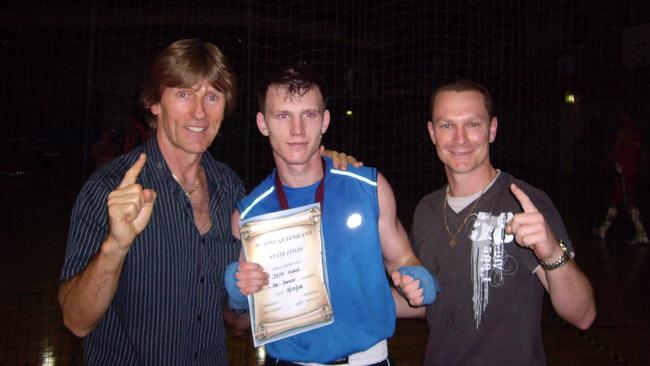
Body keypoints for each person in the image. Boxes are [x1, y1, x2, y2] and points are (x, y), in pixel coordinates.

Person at [59, 39, 368, 365]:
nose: (199, 112)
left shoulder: (230, 189)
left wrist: (243, 298)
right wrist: (115, 246)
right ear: (154, 103)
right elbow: (76, 321)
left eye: (212, 96)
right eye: (183, 94)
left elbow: (236, 324)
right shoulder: (108, 189)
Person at [225, 66, 437, 366]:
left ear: (324, 120)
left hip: (370, 360)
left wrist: (418, 280)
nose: (297, 130)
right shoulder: (248, 215)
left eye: (309, 115)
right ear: (263, 123)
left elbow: (404, 261)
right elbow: (239, 325)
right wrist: (237, 296)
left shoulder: (369, 188)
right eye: (283, 116)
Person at [409, 79, 596, 365]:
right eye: (447, 125)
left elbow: (583, 315)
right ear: (432, 133)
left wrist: (551, 252)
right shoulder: (426, 210)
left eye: (473, 124)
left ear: (492, 129)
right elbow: (434, 301)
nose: (460, 138)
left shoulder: (523, 202)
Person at [593, 109, 648, 246]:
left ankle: (642, 234)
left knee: (630, 203)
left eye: (623, 114)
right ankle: (603, 229)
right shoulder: (636, 133)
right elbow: (642, 153)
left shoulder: (624, 132)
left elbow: (615, 150)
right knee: (616, 201)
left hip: (624, 173)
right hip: (631, 172)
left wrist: (605, 164)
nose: (620, 116)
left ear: (627, 116)